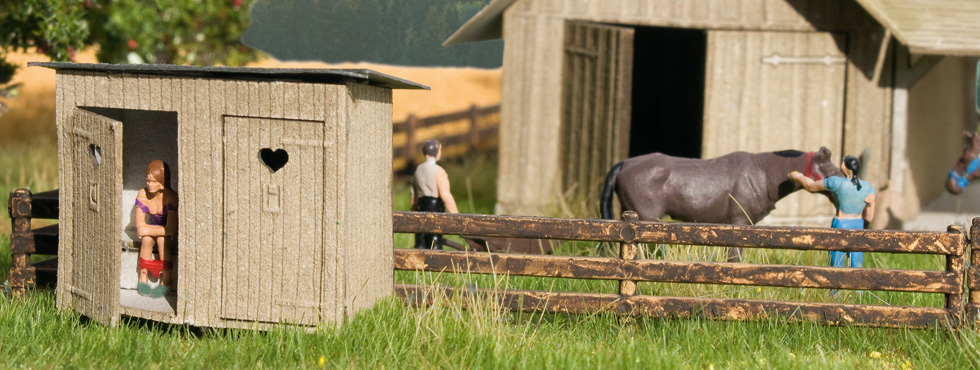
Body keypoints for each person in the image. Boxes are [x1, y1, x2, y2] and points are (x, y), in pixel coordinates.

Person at [789, 155, 875, 268]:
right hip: (858, 226)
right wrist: (868, 205)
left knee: (836, 264)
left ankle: (835, 286)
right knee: (856, 264)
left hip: (840, 225)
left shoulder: (835, 182)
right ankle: (857, 285)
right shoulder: (868, 188)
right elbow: (869, 218)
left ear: (843, 166)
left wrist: (797, 176)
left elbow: (810, 186)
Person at [134, 160, 178, 297]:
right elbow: (140, 228)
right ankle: (143, 278)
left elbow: (170, 230)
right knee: (146, 240)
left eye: (154, 181)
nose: (150, 185)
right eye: (148, 181)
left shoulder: (170, 197)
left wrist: (148, 230)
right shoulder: (143, 194)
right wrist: (150, 230)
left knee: (161, 241)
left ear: (163, 181)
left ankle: (166, 279)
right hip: (155, 229)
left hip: (167, 235)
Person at [411, 139, 458, 249]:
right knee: (434, 237)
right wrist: (456, 215)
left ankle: (419, 261)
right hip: (434, 207)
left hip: (420, 207)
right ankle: (434, 261)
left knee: (421, 237)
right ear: (436, 151)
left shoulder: (418, 169)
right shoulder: (439, 171)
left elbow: (413, 193)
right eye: (440, 149)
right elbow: (445, 195)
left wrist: (413, 210)